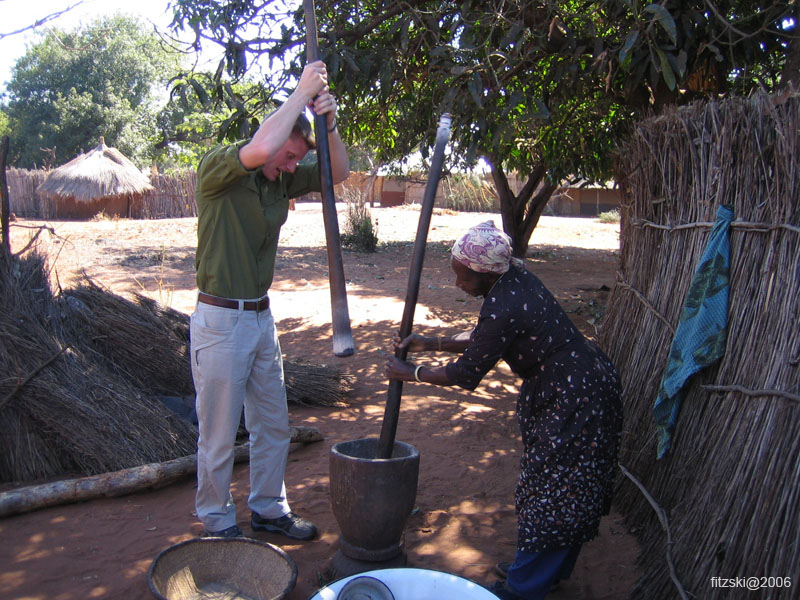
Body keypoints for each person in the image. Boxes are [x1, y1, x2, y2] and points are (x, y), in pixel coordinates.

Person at [384, 221, 623, 599]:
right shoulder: (512, 279)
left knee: (556, 488)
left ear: (482, 273)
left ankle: (525, 587)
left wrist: (410, 372)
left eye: (462, 277)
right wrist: (429, 342)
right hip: (581, 383)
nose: (457, 283)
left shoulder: (505, 302)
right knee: (567, 484)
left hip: (577, 396)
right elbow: (485, 339)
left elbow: (467, 373)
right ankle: (544, 571)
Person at [191, 60, 350, 539]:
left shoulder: (281, 176)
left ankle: (268, 508)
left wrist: (330, 123)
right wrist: (302, 93)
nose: (292, 167)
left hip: (261, 318)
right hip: (220, 320)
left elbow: (337, 171)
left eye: (298, 160)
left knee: (273, 425)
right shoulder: (222, 169)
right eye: (288, 157)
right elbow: (261, 147)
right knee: (219, 436)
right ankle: (218, 522)